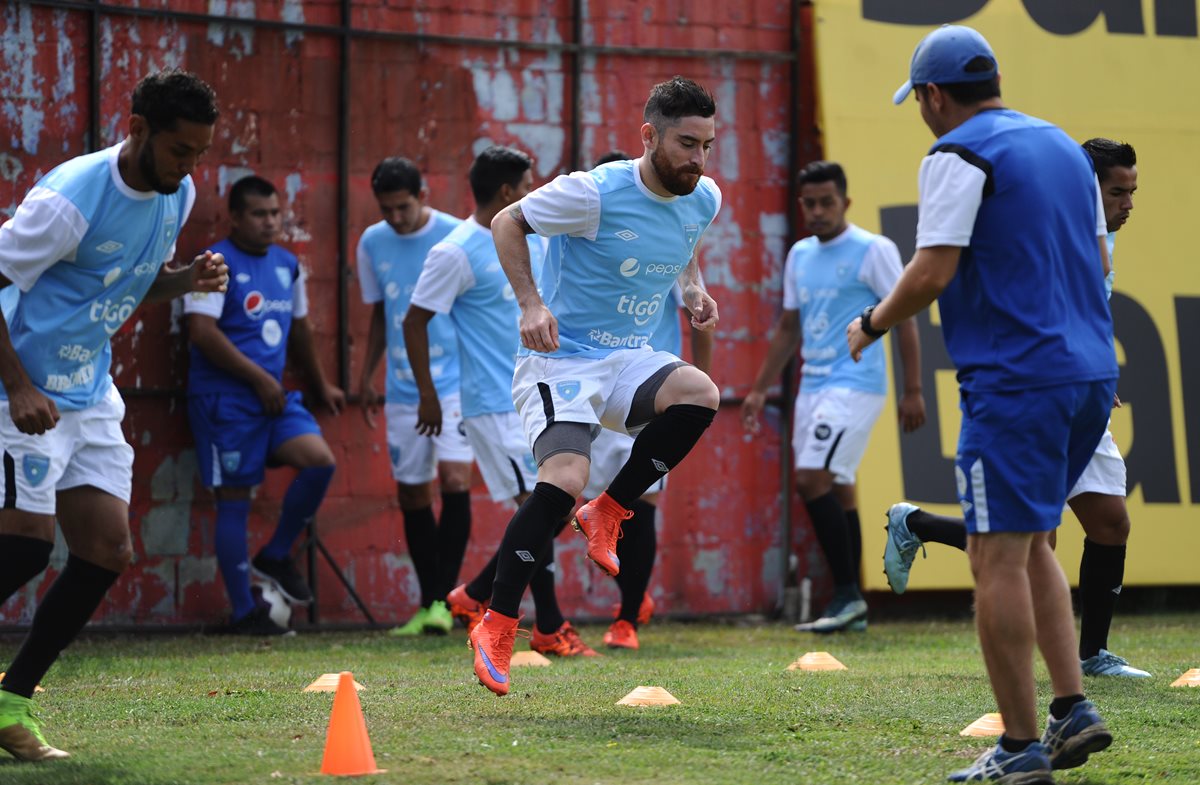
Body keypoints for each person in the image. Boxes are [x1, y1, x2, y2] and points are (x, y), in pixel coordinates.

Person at [850, 25, 1117, 781]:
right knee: (1032, 543)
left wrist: (871, 323)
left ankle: (1018, 746)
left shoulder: (956, 152)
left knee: (993, 554)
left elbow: (932, 271)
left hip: (1016, 377)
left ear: (933, 95)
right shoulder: (1065, 146)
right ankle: (1072, 709)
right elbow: (1098, 259)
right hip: (1090, 372)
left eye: (921, 102)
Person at [468, 76, 723, 696]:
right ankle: (497, 623)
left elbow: (684, 240)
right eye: (686, 143)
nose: (697, 159)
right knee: (561, 483)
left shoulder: (704, 195)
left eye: (707, 145)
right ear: (649, 136)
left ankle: (609, 511)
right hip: (562, 361)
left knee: (701, 394)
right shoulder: (594, 194)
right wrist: (530, 304)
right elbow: (506, 222)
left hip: (628, 358)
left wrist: (691, 289)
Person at [0, 69, 225, 760]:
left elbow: (127, 280)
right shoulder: (71, 199)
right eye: (179, 150)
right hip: (24, 390)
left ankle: (12, 704)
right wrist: (18, 388)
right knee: (27, 547)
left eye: (199, 152)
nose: (190, 167)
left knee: (105, 550)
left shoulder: (174, 193)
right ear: (137, 129)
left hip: (89, 390)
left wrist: (185, 280)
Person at [882, 139, 1149, 678]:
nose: (1128, 204)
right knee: (1032, 539)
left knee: (1110, 522)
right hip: (1036, 392)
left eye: (1132, 192)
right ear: (1086, 190)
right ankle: (916, 524)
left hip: (1082, 389)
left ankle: (1092, 652)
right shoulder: (1046, 231)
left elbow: (1089, 312)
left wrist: (1098, 371)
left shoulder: (1102, 241)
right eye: (1117, 192)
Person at [404, 146, 596, 658]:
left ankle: (473, 594)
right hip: (491, 404)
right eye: (529, 182)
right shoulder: (457, 250)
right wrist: (428, 393)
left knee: (549, 510)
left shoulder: (525, 240)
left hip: (534, 395)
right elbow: (414, 320)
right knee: (544, 506)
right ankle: (549, 626)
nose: (535, 189)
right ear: (509, 191)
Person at [741, 161, 925, 634]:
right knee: (838, 485)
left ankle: (844, 593)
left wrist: (914, 390)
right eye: (810, 203)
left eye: (827, 202)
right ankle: (853, 603)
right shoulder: (800, 254)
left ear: (846, 202)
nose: (818, 211)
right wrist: (760, 388)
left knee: (810, 479)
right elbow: (788, 327)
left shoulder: (873, 250)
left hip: (855, 384)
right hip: (813, 385)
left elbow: (904, 317)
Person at [184, 175, 345, 635]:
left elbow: (299, 329)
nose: (270, 222)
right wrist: (257, 378)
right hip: (225, 400)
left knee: (319, 461)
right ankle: (244, 613)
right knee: (234, 499)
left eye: (275, 213)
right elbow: (201, 332)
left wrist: (320, 385)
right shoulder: (212, 264)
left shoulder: (286, 265)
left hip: (273, 399)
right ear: (234, 217)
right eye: (259, 214)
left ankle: (275, 554)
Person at [356, 158, 474, 635]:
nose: (395, 219)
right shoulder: (371, 241)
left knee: (455, 479)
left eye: (402, 207)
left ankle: (447, 603)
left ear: (423, 194)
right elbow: (381, 313)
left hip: (454, 383)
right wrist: (365, 375)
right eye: (386, 210)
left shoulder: (456, 237)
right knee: (412, 490)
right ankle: (431, 603)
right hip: (403, 386)